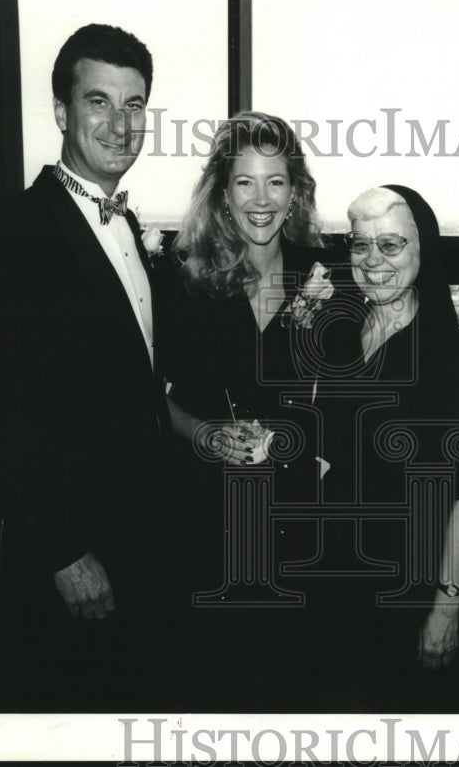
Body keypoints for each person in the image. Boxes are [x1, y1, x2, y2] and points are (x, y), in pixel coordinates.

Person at [0, 23, 171, 710]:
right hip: (66, 561)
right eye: (98, 101)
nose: (120, 123)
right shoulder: (6, 232)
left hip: (137, 544)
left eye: (134, 104)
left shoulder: (131, 229)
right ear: (61, 112)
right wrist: (62, 551)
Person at [155, 111, 345, 708]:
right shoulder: (180, 279)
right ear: (222, 191)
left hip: (299, 528)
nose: (261, 200)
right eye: (245, 182)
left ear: (296, 193)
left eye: (276, 182)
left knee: (295, 689)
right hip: (204, 519)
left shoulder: (328, 275)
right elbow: (153, 402)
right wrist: (204, 434)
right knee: (209, 687)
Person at [298, 185, 459, 711]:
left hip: (408, 591)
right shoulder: (338, 336)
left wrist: (445, 612)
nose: (373, 260)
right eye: (361, 245)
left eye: (391, 244)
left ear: (422, 251)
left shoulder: (453, 358)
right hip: (328, 582)